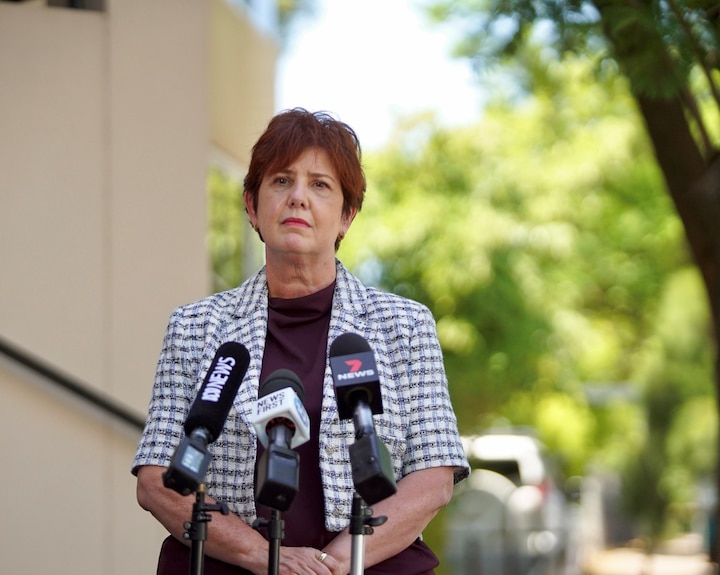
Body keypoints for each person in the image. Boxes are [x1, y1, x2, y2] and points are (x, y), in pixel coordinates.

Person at [132, 108, 469, 575]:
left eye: (320, 185)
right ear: (251, 205)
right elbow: (156, 479)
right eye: (281, 181)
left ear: (347, 216)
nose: (298, 199)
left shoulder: (404, 325)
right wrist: (265, 558)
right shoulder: (196, 327)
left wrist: (332, 565)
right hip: (227, 565)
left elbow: (434, 478)